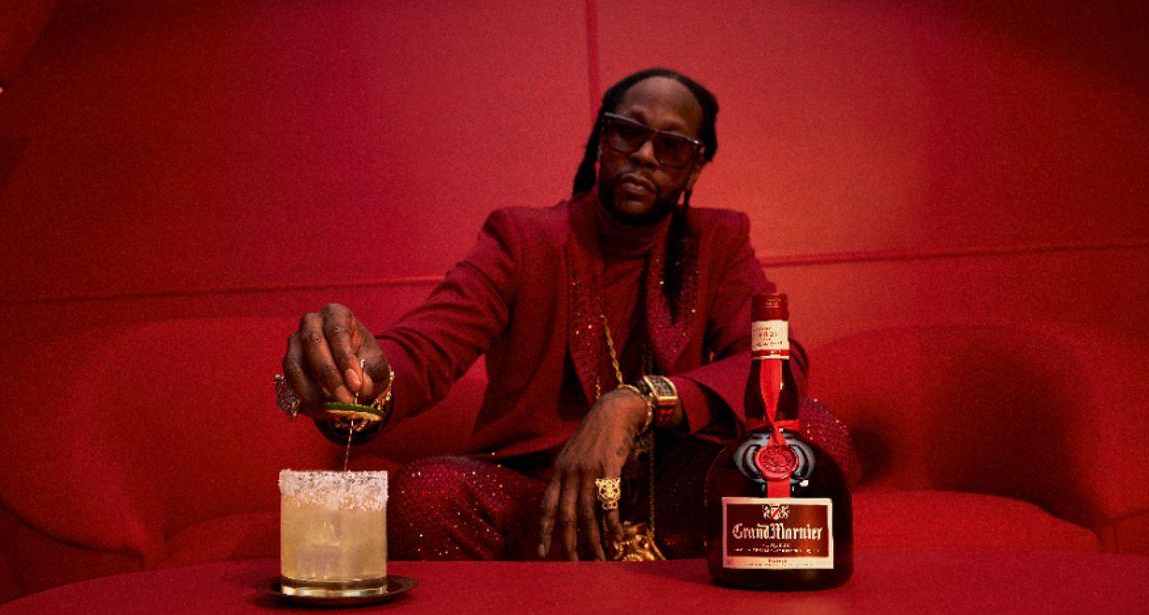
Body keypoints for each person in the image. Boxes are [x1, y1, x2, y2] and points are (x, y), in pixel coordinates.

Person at [279, 68, 834, 562]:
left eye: (670, 146)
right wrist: (363, 371)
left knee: (813, 433)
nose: (643, 154)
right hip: (538, 493)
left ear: (693, 169)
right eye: (628, 131)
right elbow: (429, 344)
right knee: (426, 494)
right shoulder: (525, 239)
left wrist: (636, 403)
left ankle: (624, 566)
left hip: (668, 485)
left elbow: (774, 364)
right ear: (602, 141)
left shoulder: (718, 239)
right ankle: (565, 582)